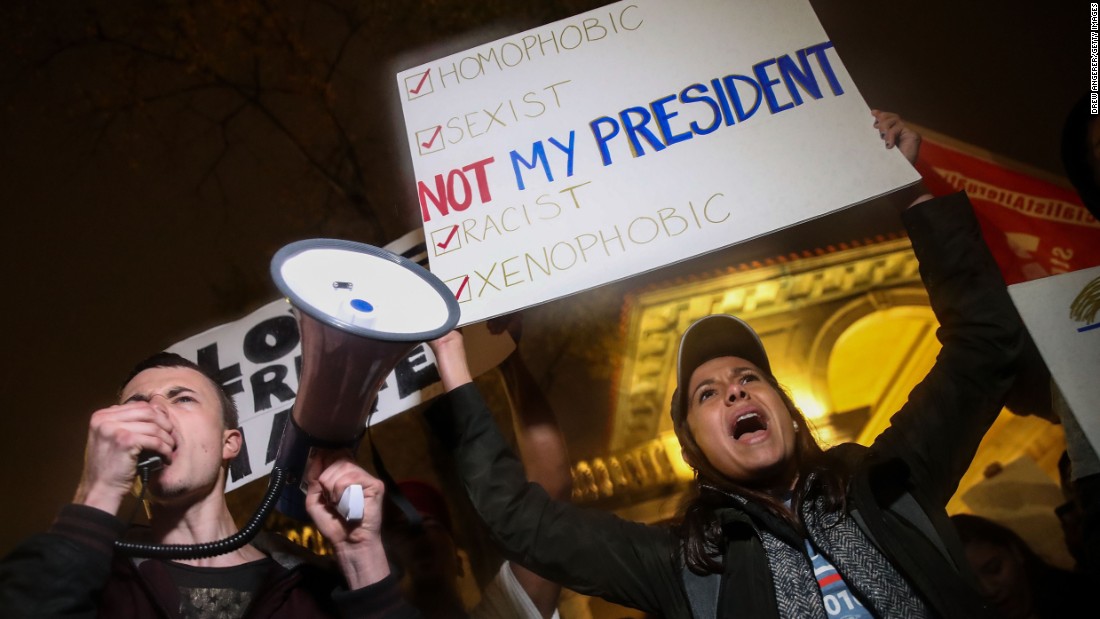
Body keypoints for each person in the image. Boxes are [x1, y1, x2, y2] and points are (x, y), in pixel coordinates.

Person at [423, 112, 1024, 618]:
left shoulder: (890, 482)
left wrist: (911, 191)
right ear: (693, 448)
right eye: (706, 394)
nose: (734, 393)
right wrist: (456, 358)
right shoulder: (682, 564)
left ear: (786, 410)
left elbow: (985, 343)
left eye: (747, 379)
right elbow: (519, 516)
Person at [0, 352, 420, 618]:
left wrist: (360, 555)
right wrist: (96, 494)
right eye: (136, 406)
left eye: (181, 398)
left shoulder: (306, 586)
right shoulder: (95, 577)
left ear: (229, 443)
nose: (155, 412)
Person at [384, 316, 569, 619]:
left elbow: (550, 492)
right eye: (401, 530)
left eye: (429, 523)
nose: (417, 535)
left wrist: (505, 354)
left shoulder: (506, 612)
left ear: (459, 559)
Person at [951, 513, 1095, 619]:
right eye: (971, 584)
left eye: (994, 569)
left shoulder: (1081, 595)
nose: (989, 590)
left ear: (1015, 551)